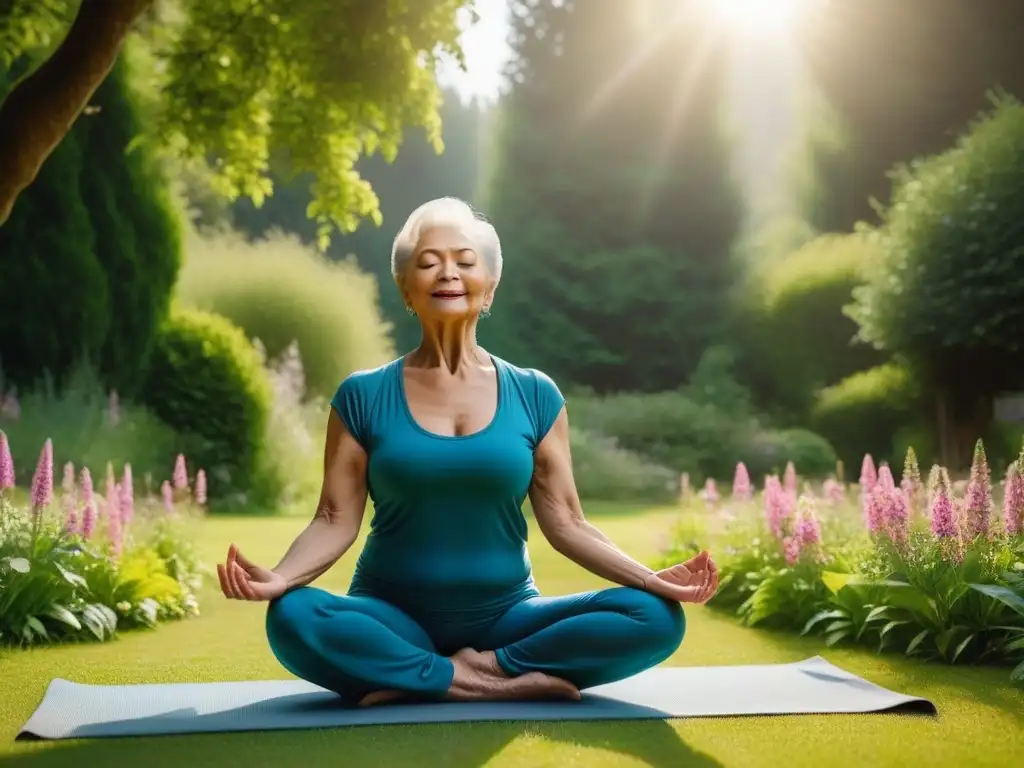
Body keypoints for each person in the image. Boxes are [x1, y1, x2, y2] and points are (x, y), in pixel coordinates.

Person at [217, 197, 720, 707]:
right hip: (389, 617)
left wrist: (649, 579)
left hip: (507, 622)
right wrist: (281, 578)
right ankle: (482, 682)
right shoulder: (362, 395)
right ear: (406, 288)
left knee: (654, 616)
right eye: (428, 262)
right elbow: (332, 517)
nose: (447, 273)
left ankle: (459, 673)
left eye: (464, 259)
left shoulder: (534, 393)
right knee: (292, 616)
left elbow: (567, 522)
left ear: (489, 286)